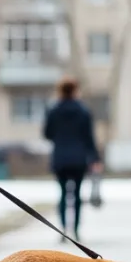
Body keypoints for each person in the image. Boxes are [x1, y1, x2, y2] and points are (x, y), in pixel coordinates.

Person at [42, 78, 100, 241]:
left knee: (61, 194)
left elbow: (47, 134)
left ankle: (62, 230)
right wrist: (95, 158)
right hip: (79, 158)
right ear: (75, 90)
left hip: (60, 158)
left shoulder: (53, 110)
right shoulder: (83, 111)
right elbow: (89, 138)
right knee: (76, 194)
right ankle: (75, 230)